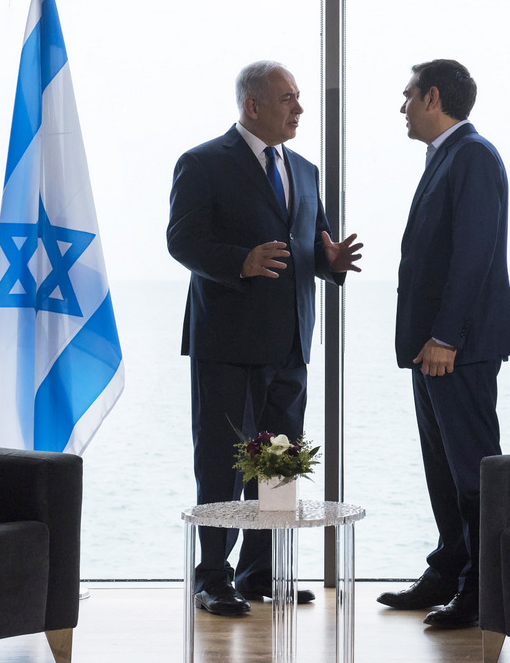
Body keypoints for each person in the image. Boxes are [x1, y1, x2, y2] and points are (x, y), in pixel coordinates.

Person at [167, 60, 362, 616]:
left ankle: (261, 571)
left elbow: (314, 240)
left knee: (277, 467)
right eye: (288, 99)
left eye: (299, 97)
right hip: (227, 347)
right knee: (222, 464)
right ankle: (213, 579)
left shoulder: (305, 169)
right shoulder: (202, 163)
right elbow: (182, 241)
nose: (299, 108)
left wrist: (329, 261)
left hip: (292, 346)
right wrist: (241, 262)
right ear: (252, 106)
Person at [378, 59, 510, 629]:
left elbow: (473, 254)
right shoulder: (447, 157)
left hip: (455, 346)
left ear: (433, 97)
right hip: (431, 347)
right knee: (442, 468)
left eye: (407, 95)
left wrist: (445, 336)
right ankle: (447, 570)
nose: (402, 106)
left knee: (472, 471)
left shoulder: (474, 156)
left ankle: (481, 590)